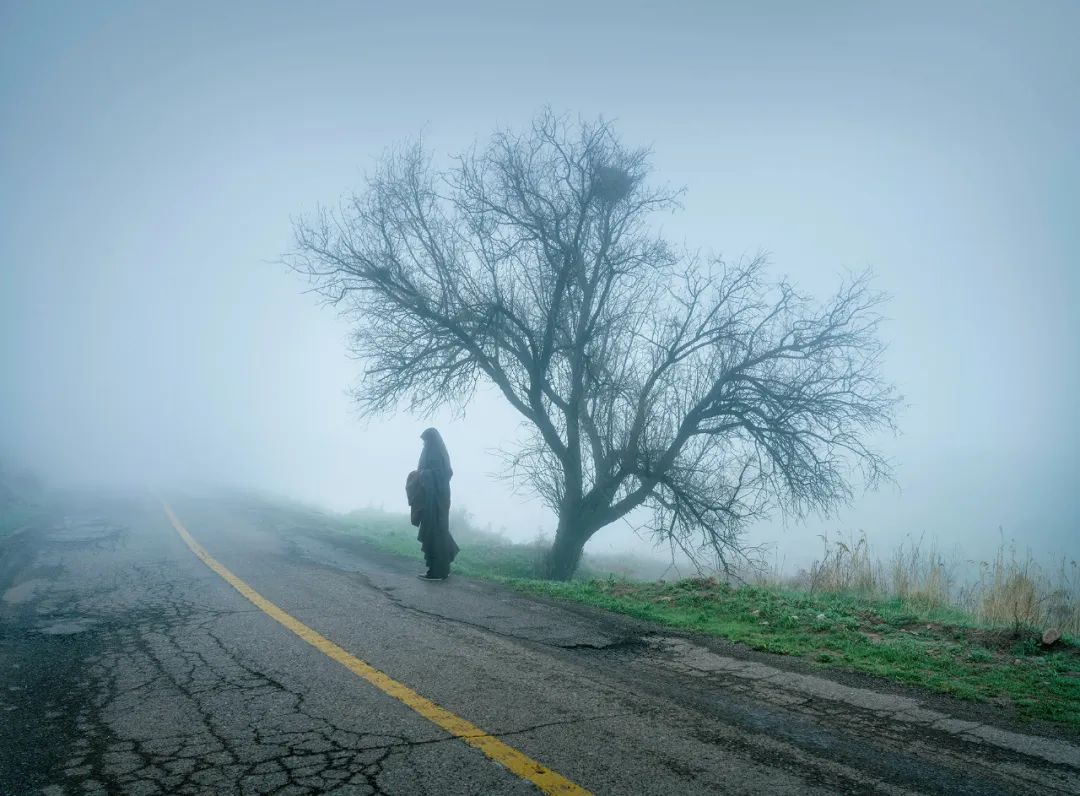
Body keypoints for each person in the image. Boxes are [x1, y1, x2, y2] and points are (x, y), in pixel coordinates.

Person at [409, 427, 459, 580]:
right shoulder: (430, 450)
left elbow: (445, 473)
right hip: (431, 497)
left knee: (435, 532)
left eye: (426, 441)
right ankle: (442, 567)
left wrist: (423, 474)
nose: (424, 444)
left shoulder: (437, 452)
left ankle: (437, 572)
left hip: (437, 499)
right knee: (436, 531)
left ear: (432, 440)